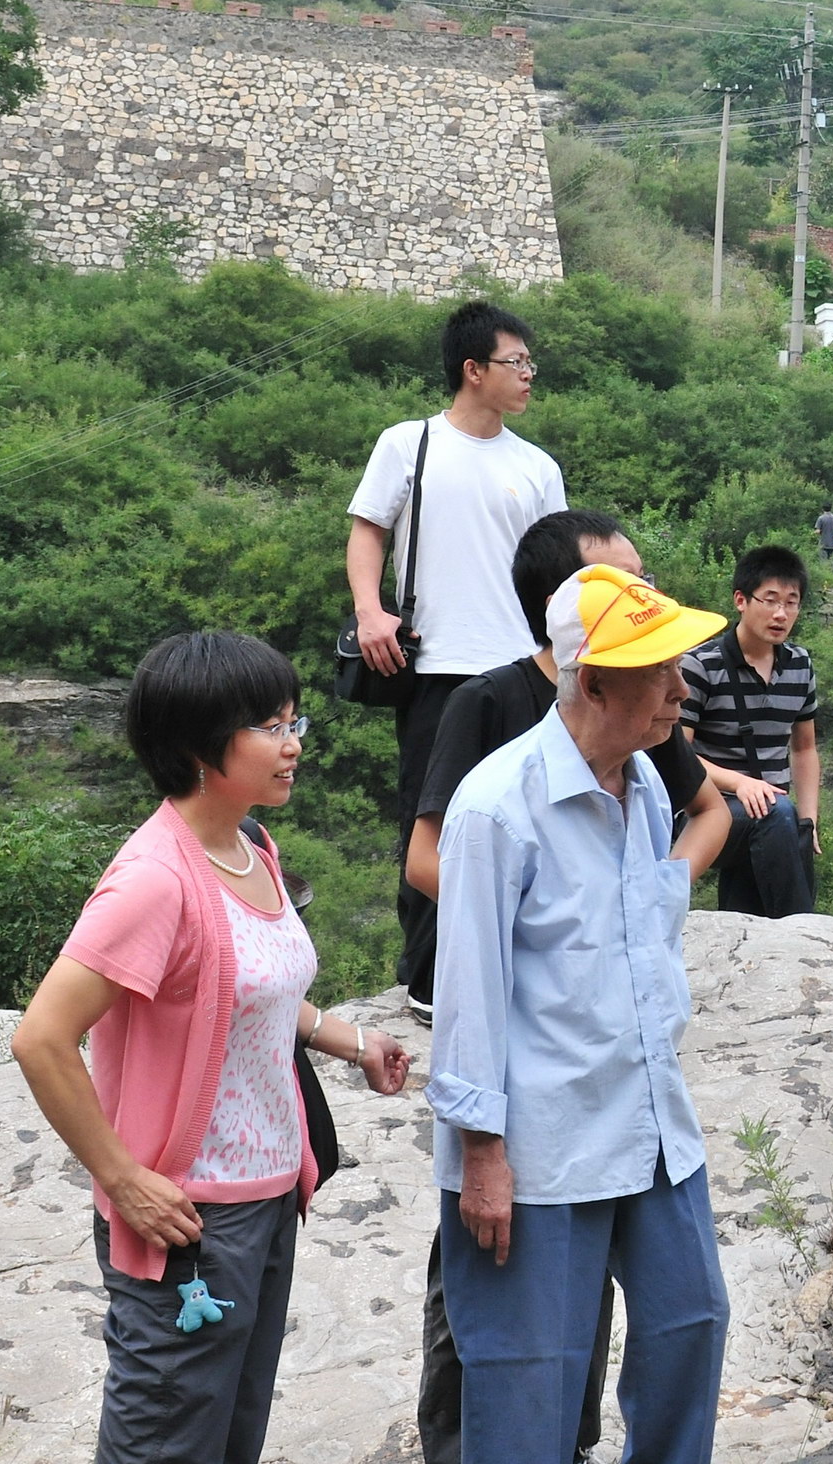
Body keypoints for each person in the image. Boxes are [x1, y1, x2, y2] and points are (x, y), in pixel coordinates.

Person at [12, 632, 413, 1464]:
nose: (294, 741)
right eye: (271, 725)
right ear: (202, 745)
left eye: (294, 719)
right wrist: (125, 1177)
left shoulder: (252, 849)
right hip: (186, 1228)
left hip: (267, 1204)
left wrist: (348, 1037)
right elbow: (42, 1038)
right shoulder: (153, 879)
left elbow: (260, 995)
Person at [398, 507, 730, 1464]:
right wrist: (480, 1150)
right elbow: (475, 987)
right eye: (657, 675)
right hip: (535, 1137)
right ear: (588, 684)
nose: (680, 693)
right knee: (524, 1378)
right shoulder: (502, 807)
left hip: (644, 1113)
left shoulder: (639, 788)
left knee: (689, 1324)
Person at [345, 299, 566, 1027]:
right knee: (430, 819)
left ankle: (514, 961)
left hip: (522, 671)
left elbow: (557, 571)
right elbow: (367, 531)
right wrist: (371, 611)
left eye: (530, 362)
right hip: (437, 665)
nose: (530, 374)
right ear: (473, 370)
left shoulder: (537, 468)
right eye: (517, 362)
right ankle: (429, 979)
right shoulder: (408, 444)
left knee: (522, 821)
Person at [680, 546, 821, 918]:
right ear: (741, 600)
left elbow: (804, 749)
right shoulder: (700, 666)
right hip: (705, 811)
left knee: (781, 823)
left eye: (792, 603)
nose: (781, 614)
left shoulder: (800, 665)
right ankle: (802, 932)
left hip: (774, 817)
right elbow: (676, 754)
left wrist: (809, 821)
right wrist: (740, 784)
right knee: (774, 814)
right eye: (771, 600)